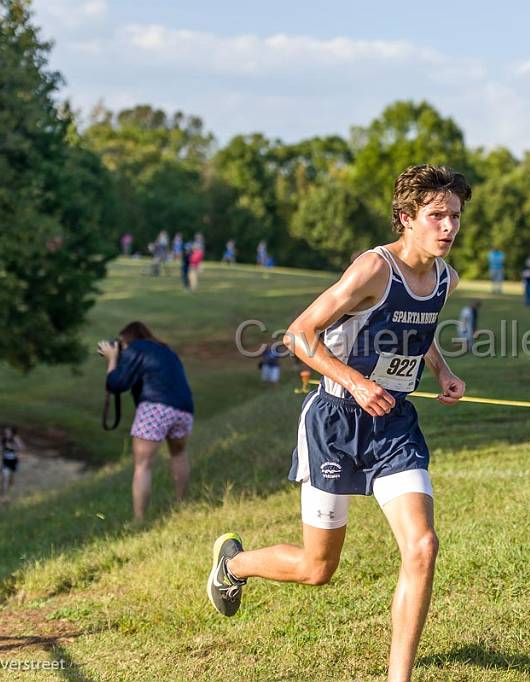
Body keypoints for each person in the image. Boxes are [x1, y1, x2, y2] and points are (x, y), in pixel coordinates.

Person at [206, 164, 470, 682]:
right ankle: (232, 565)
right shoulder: (373, 270)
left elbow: (419, 328)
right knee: (317, 568)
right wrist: (354, 381)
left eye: (455, 216)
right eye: (436, 215)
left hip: (394, 424)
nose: (448, 227)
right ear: (405, 218)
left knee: (423, 545)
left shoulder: (445, 278)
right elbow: (299, 336)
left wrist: (443, 370)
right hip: (334, 420)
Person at [99, 322, 195, 523]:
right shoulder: (165, 349)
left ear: (126, 339)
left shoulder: (135, 348)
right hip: (184, 408)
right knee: (179, 454)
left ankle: (139, 519)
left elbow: (116, 384)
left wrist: (112, 359)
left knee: (142, 465)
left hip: (155, 408)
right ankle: (182, 505)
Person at [0, 426, 24, 496]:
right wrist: (1, 449)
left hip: (14, 461)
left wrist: (12, 447)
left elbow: (22, 448)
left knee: (11, 477)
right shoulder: (3, 440)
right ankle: (4, 494)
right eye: (5, 433)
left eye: (8, 432)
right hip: (6, 461)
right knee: (5, 477)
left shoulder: (15, 439)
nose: (7, 434)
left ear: (11, 433)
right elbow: (0, 449)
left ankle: (10, 487)